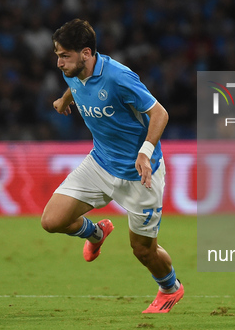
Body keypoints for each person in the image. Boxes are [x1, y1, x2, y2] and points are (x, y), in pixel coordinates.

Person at [40, 19, 184, 313]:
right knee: (52, 221)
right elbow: (76, 85)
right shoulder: (73, 72)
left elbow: (160, 114)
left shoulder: (119, 77)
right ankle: (95, 233)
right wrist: (64, 100)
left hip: (139, 174)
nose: (59, 63)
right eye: (57, 56)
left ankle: (170, 288)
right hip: (100, 163)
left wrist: (144, 152)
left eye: (64, 56)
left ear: (86, 53)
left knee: (143, 250)